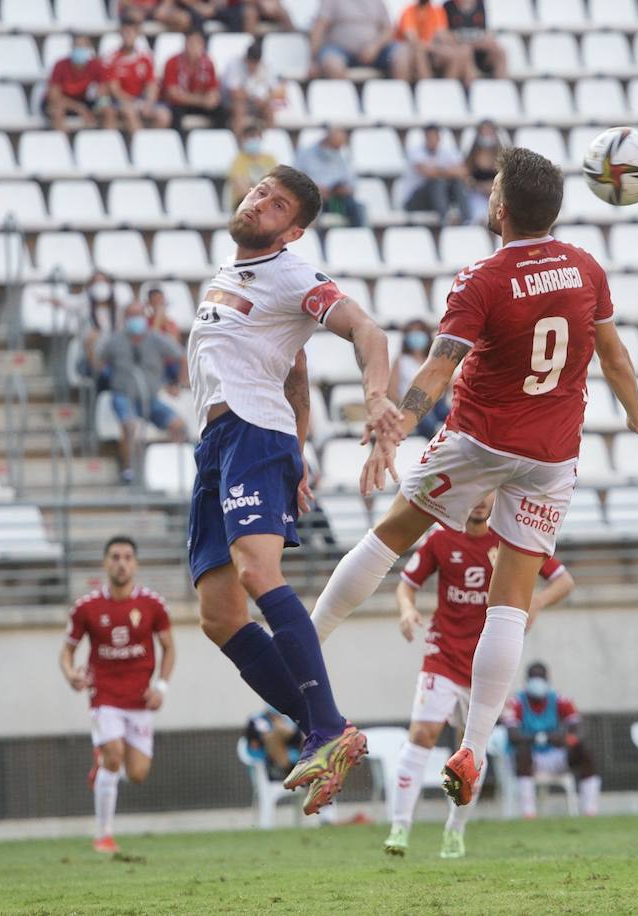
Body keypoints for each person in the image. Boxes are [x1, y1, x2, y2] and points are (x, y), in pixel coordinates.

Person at [307, 147, 638, 810]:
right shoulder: (586, 269)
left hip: (481, 440)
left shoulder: (484, 278)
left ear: (498, 208)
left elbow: (441, 367)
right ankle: (474, 744)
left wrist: (397, 425)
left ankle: (307, 642)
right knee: (512, 598)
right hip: (551, 455)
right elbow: (612, 354)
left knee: (391, 535)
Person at [187, 163, 404, 814]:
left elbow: (366, 330)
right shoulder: (232, 276)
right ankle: (325, 729)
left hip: (253, 434)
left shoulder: (293, 275)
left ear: (294, 230)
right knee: (219, 617)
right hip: (220, 445)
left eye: (276, 204)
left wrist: (374, 397)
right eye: (259, 192)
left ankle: (328, 727)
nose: (258, 203)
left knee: (259, 573)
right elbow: (296, 368)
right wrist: (301, 452)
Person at [382, 495, 574, 859]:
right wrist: (407, 609)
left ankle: (455, 830)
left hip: (486, 663)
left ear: (496, 496)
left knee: (472, 749)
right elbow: (405, 584)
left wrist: (537, 602)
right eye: (477, 491)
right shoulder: (440, 537)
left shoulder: (513, 538)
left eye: (488, 492)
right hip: (443, 653)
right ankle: (400, 827)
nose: (480, 501)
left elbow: (564, 582)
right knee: (422, 733)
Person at [59, 535, 176, 854]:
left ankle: (103, 769)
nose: (121, 563)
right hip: (104, 696)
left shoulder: (153, 605)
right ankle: (104, 834)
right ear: (105, 563)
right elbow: (66, 653)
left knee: (137, 773)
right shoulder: (87, 608)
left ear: (135, 564)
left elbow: (168, 648)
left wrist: (161, 687)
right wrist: (72, 675)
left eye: (127, 557)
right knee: (113, 754)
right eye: (115, 557)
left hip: (139, 700)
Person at [96, 301, 188, 484]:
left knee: (179, 426)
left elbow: (182, 356)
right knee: (129, 426)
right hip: (123, 395)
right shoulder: (115, 340)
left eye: (139, 315)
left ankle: (166, 472)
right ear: (125, 318)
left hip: (150, 397)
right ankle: (129, 471)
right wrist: (107, 378)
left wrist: (177, 383)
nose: (135, 320)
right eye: (131, 315)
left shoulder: (156, 338)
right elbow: (98, 359)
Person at [502, 661, 601, 820]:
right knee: (522, 751)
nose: (538, 682)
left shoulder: (560, 699)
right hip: (530, 759)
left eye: (541, 678)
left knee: (585, 752)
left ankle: (590, 810)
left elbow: (580, 727)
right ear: (527, 681)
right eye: (534, 678)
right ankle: (529, 813)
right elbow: (512, 734)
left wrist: (569, 739)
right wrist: (543, 737)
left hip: (556, 755)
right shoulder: (516, 702)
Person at [98, 15, 172, 133]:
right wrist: (133, 102)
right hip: (119, 102)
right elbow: (114, 90)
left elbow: (152, 84)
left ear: (137, 34)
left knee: (164, 116)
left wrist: (148, 103)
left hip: (140, 99)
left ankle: (149, 142)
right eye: (126, 32)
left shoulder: (145, 58)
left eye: (131, 32)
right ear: (121, 34)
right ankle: (140, 145)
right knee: (130, 112)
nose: (129, 36)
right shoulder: (112, 59)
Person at [310, 0, 406, 80]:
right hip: (340, 51)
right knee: (332, 64)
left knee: (402, 55)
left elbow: (388, 30)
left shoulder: (378, 2)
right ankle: (343, 99)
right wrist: (313, 60)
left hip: (376, 52)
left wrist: (375, 46)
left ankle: (398, 99)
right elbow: (319, 28)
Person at [398, 125, 470, 226]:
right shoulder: (415, 152)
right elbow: (428, 173)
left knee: (457, 184)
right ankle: (445, 221)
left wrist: (440, 171)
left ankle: (467, 220)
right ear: (425, 138)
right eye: (429, 137)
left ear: (439, 138)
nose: (431, 140)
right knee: (437, 183)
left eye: (433, 137)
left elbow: (463, 171)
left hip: (436, 198)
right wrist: (448, 171)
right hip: (415, 199)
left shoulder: (446, 152)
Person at [295, 125, 366, 227]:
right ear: (326, 141)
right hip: (314, 199)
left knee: (359, 209)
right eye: (334, 146)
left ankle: (359, 238)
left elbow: (352, 184)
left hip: (337, 199)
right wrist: (314, 189)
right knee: (312, 209)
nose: (336, 150)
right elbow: (295, 180)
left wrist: (344, 189)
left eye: (338, 147)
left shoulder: (342, 156)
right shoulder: (305, 154)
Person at [389, 319, 449, 438]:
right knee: (428, 423)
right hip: (412, 406)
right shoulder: (401, 361)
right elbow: (391, 390)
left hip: (436, 403)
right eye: (412, 332)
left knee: (452, 416)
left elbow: (447, 382)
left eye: (419, 332)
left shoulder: (435, 359)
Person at [160, 28, 222, 131]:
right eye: (191, 43)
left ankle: (218, 142)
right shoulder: (172, 62)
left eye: (197, 43)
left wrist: (211, 99)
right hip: (180, 104)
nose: (193, 47)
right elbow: (173, 94)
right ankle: (180, 144)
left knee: (221, 112)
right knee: (175, 114)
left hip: (198, 102)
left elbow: (213, 90)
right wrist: (201, 100)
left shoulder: (208, 63)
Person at [223, 40, 285, 138]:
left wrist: (264, 98)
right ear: (246, 59)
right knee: (239, 106)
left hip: (258, 103)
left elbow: (276, 91)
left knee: (269, 108)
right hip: (234, 104)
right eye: (250, 62)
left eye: (255, 63)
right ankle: (239, 142)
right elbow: (233, 93)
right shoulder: (234, 64)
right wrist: (252, 96)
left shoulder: (266, 66)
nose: (252, 66)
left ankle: (271, 141)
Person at [45, 34, 103, 134]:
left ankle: (101, 142)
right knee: (57, 110)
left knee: (107, 110)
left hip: (83, 102)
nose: (80, 49)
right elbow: (54, 97)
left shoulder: (95, 66)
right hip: (64, 103)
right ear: (71, 48)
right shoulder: (60, 65)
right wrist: (78, 107)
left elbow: (103, 92)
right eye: (77, 46)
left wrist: (100, 105)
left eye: (83, 46)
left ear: (88, 49)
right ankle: (62, 141)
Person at [394, 0, 461, 81]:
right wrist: (436, 48)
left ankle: (448, 87)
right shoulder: (408, 11)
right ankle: (427, 86)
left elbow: (443, 35)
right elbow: (414, 41)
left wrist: (449, 48)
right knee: (419, 53)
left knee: (457, 54)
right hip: (410, 52)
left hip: (430, 49)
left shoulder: (436, 11)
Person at [443, 0, 507, 84]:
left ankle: (501, 86)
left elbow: (484, 32)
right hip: (460, 50)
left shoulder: (480, 4)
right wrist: (469, 42)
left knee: (500, 52)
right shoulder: (448, 6)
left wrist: (479, 41)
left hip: (479, 49)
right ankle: (472, 88)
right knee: (465, 50)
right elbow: (447, 35)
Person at [224, 123, 278, 211]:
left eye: (255, 137)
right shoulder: (238, 161)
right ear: (243, 140)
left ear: (261, 138)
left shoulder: (270, 159)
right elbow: (242, 189)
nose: (252, 140)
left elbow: (276, 185)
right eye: (249, 137)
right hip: (244, 205)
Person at [462, 120, 505, 225]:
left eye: (489, 131)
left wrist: (493, 189)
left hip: (497, 195)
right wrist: (479, 186)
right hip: (477, 195)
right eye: (484, 131)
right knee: (479, 217)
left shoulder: (502, 156)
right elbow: (466, 179)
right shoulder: (472, 156)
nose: (487, 134)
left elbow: (506, 178)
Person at [244, 707, 303, 781]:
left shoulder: (286, 720)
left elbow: (295, 736)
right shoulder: (258, 720)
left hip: (292, 748)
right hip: (276, 754)